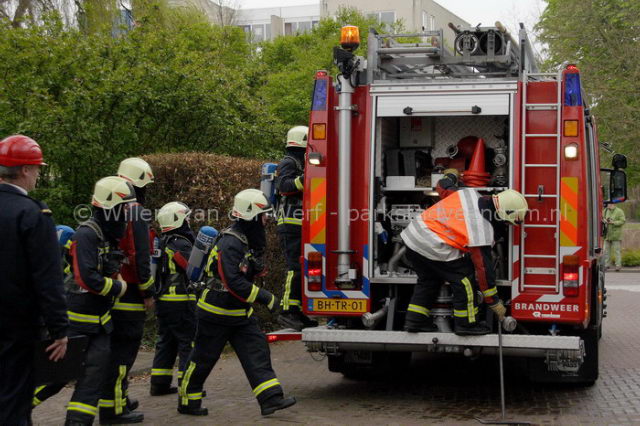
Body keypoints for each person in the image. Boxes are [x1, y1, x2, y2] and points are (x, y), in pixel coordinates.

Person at [178, 189, 296, 417]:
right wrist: (266, 298)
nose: (266, 220)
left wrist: (255, 267)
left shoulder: (244, 241)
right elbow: (232, 281)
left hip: (239, 313)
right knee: (203, 359)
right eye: (263, 215)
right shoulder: (230, 242)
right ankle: (188, 400)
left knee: (257, 351)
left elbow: (242, 273)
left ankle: (271, 399)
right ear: (252, 216)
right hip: (215, 312)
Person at [33, 176, 139, 426]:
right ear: (111, 206)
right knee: (58, 377)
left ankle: (78, 422)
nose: (127, 213)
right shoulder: (86, 234)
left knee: (93, 377)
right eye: (124, 207)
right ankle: (15, 407)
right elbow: (86, 278)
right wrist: (118, 287)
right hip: (77, 321)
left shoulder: (106, 236)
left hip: (100, 323)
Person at [0, 135, 69, 426]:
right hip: (16, 327)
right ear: (25, 169)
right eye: (38, 169)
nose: (38, 175)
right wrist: (59, 330)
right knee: (14, 401)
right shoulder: (32, 214)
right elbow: (48, 279)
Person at [401, 189, 528, 335]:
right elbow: (483, 270)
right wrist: (493, 301)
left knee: (428, 280)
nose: (506, 225)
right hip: (432, 243)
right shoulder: (482, 230)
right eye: (507, 222)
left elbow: (444, 189)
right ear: (502, 215)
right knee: (464, 280)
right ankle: (466, 324)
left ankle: (415, 321)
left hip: (413, 237)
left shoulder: (470, 193)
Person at [99, 158, 155, 423]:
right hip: (130, 293)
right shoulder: (136, 212)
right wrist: (147, 292)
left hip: (111, 288)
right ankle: (113, 410)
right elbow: (140, 256)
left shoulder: (109, 206)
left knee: (116, 351)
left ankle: (119, 399)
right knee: (123, 353)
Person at [150, 202, 197, 396]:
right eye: (186, 218)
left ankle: (159, 384)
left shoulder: (162, 241)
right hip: (180, 302)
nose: (189, 222)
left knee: (166, 342)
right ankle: (187, 386)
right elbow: (192, 269)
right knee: (187, 342)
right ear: (178, 220)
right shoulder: (180, 243)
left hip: (163, 302)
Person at [275, 125, 318, 331]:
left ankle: (298, 310)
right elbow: (283, 186)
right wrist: (305, 178)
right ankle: (287, 311)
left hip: (300, 224)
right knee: (295, 268)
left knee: (303, 268)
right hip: (290, 224)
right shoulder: (289, 162)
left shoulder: (299, 162)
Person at [603, 203, 626, 272]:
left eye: (610, 204)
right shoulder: (605, 211)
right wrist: (604, 221)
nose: (608, 206)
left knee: (617, 251)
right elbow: (602, 218)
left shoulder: (619, 211)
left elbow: (622, 221)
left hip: (616, 235)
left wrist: (613, 222)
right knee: (606, 251)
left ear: (614, 204)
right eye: (608, 204)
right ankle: (606, 265)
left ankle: (618, 266)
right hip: (607, 235)